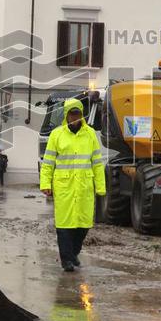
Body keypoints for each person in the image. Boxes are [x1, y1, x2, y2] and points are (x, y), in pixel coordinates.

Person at [39, 98, 105, 272]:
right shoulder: (56, 135)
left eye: (78, 113)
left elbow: (97, 162)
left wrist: (100, 186)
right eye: (72, 114)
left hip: (84, 187)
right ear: (67, 116)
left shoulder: (90, 134)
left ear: (81, 115)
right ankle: (66, 260)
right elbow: (48, 163)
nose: (75, 117)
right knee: (64, 226)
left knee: (83, 225)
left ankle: (74, 252)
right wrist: (45, 183)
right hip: (64, 187)